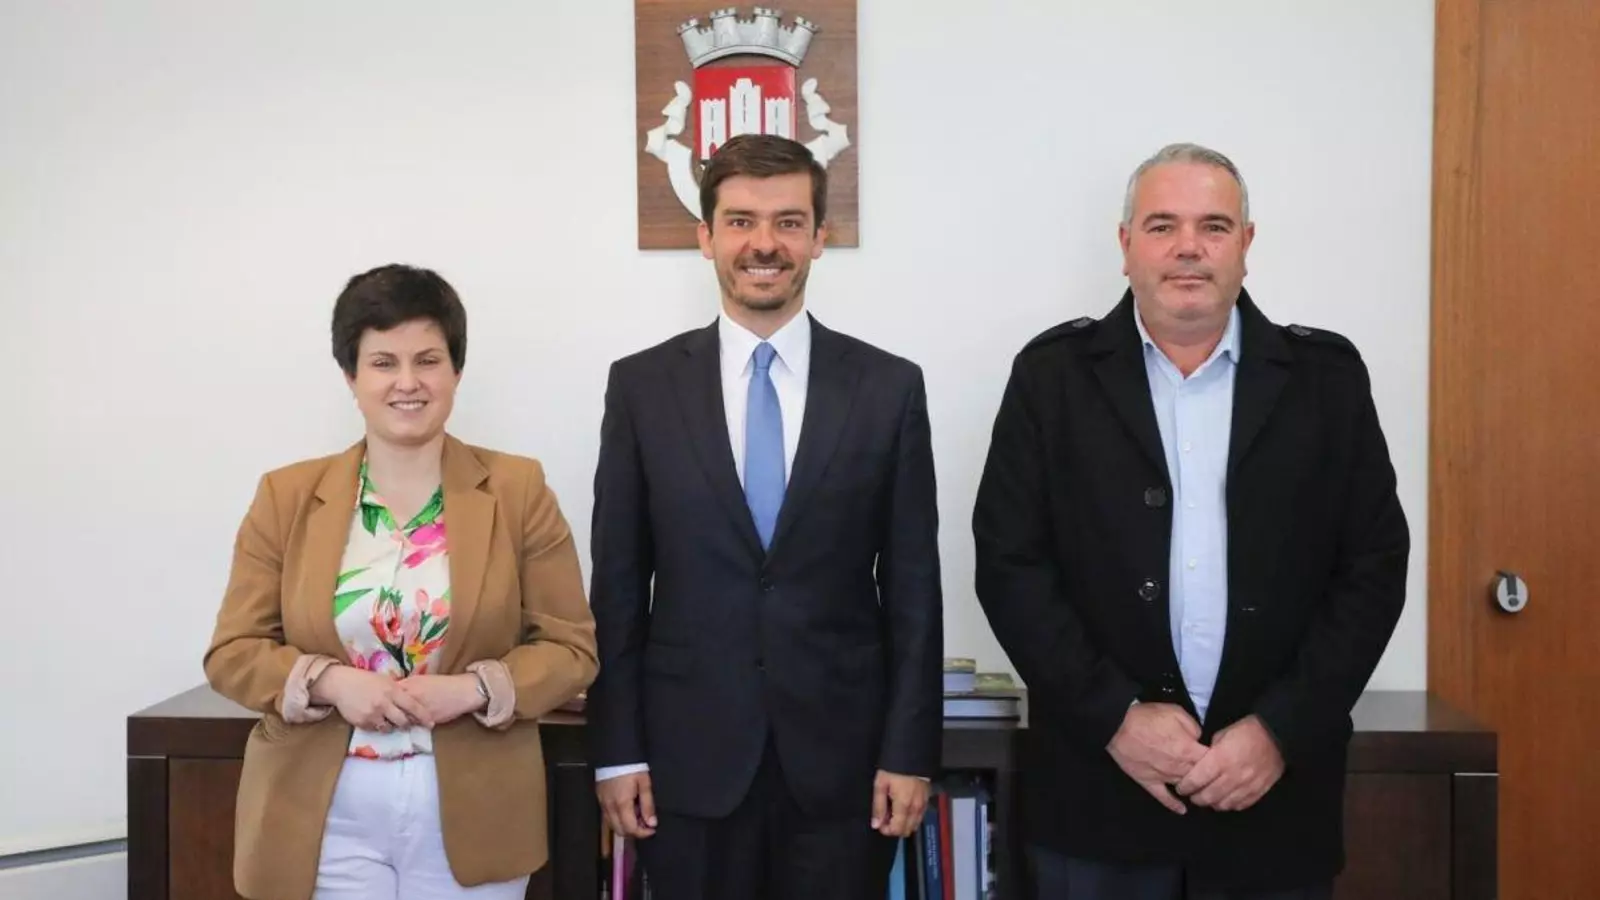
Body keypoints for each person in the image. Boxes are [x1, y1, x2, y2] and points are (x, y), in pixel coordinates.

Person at [972, 143, 1409, 900]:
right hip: (1097, 798)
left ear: (1246, 243)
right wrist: (1115, 719)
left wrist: (1280, 729)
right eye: (1161, 225)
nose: (1187, 247)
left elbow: (1373, 572)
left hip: (1273, 804)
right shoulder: (1051, 379)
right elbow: (1011, 567)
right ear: (1125, 246)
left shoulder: (1327, 383)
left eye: (1213, 226)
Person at [586, 133, 944, 900]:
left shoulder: (887, 388)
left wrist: (909, 751)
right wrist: (617, 751)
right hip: (685, 768)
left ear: (820, 237)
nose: (764, 244)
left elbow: (915, 589)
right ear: (706, 236)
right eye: (741, 221)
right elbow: (617, 588)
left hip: (846, 772)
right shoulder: (643, 388)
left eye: (788, 222)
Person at [203, 264, 599, 900]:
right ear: (351, 377)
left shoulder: (517, 490)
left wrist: (472, 689)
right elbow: (233, 652)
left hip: (475, 807)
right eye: (383, 362)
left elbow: (571, 648)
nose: (408, 382)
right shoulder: (286, 495)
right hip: (321, 814)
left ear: (456, 372)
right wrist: (331, 682)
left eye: (428, 360)